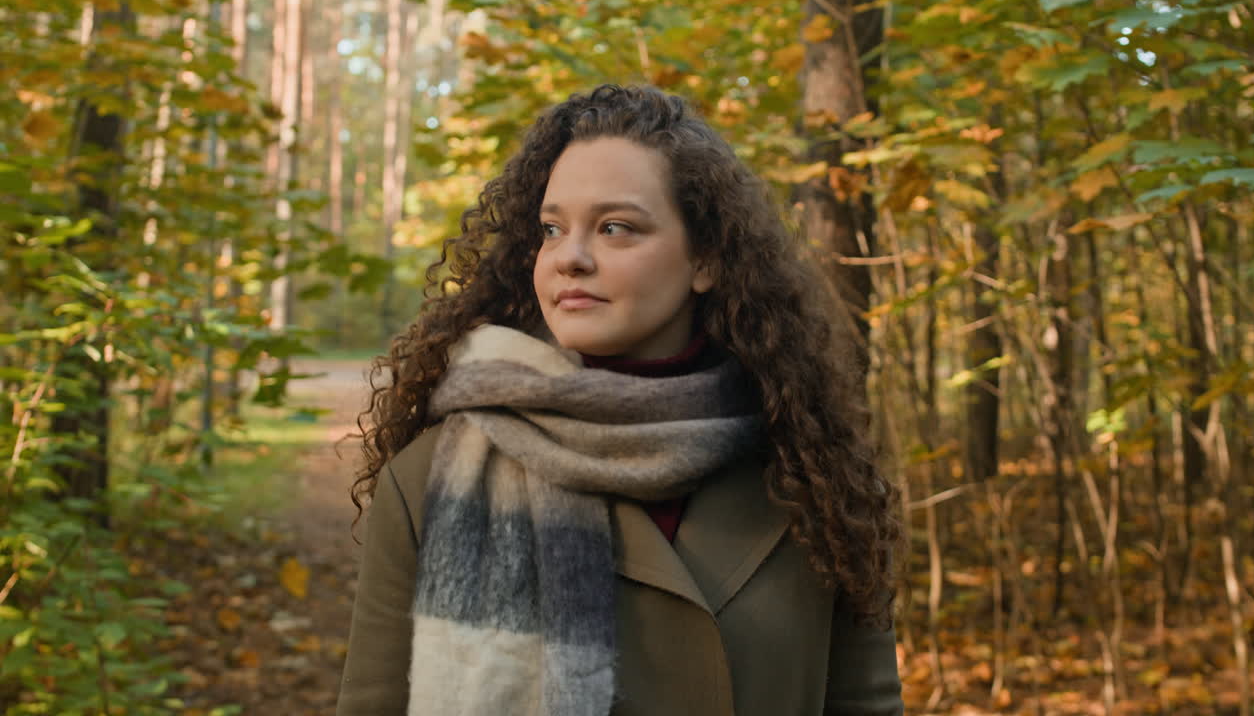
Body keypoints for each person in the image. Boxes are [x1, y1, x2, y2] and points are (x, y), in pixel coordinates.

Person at [337, 84, 904, 716]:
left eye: (616, 228)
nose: (570, 258)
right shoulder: (429, 482)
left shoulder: (813, 475)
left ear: (706, 260)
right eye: (551, 229)